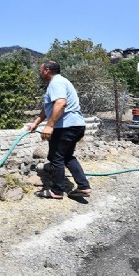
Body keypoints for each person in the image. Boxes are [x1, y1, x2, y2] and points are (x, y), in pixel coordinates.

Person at [28, 61, 92, 199]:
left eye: (40, 70)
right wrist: (36, 122)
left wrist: (49, 126)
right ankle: (83, 186)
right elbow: (48, 108)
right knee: (67, 157)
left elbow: (61, 103)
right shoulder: (60, 82)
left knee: (56, 158)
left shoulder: (56, 83)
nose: (39, 73)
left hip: (66, 127)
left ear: (46, 70)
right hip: (76, 125)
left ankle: (57, 191)